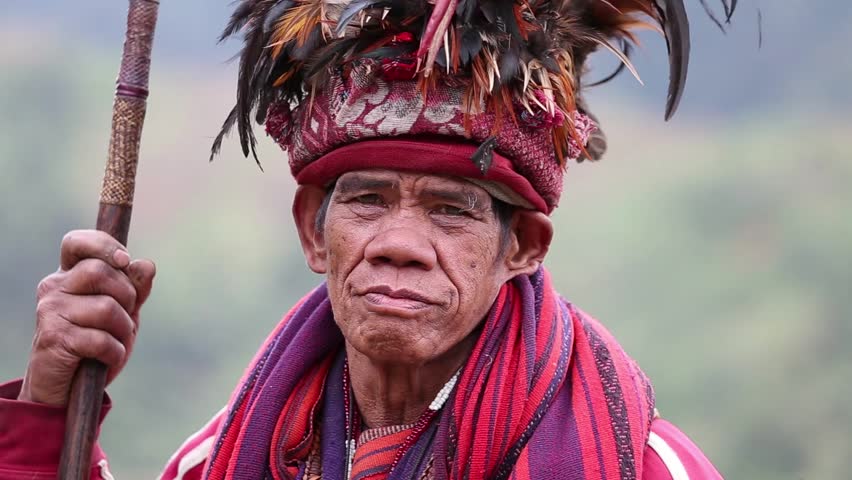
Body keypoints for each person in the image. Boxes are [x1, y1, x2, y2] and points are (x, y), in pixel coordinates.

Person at [0, 0, 736, 479]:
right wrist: (49, 408)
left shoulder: (644, 466)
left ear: (525, 246)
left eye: (451, 211)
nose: (399, 243)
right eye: (368, 201)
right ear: (313, 233)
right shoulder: (220, 461)